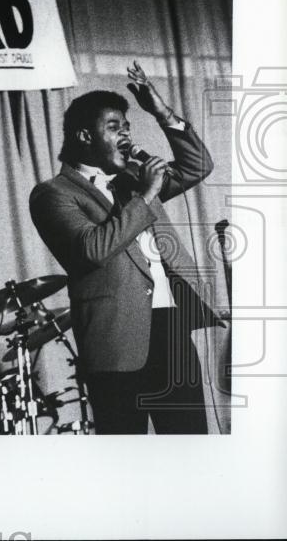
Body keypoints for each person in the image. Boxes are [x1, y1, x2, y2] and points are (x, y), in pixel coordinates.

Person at [29, 61, 222, 434]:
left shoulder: (132, 179)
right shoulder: (54, 194)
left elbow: (198, 166)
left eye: (127, 126)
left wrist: (161, 112)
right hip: (115, 345)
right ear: (85, 136)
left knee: (192, 450)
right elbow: (92, 249)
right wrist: (148, 193)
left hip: (171, 329)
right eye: (114, 126)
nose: (126, 135)